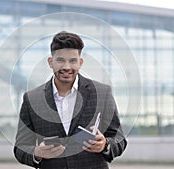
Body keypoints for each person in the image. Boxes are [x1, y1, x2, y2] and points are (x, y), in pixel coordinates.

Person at [13, 31, 127, 169]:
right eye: (60, 60)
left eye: (73, 61)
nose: (67, 67)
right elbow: (20, 148)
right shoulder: (32, 99)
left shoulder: (102, 93)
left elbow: (119, 140)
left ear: (80, 62)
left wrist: (104, 145)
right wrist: (37, 153)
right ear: (51, 62)